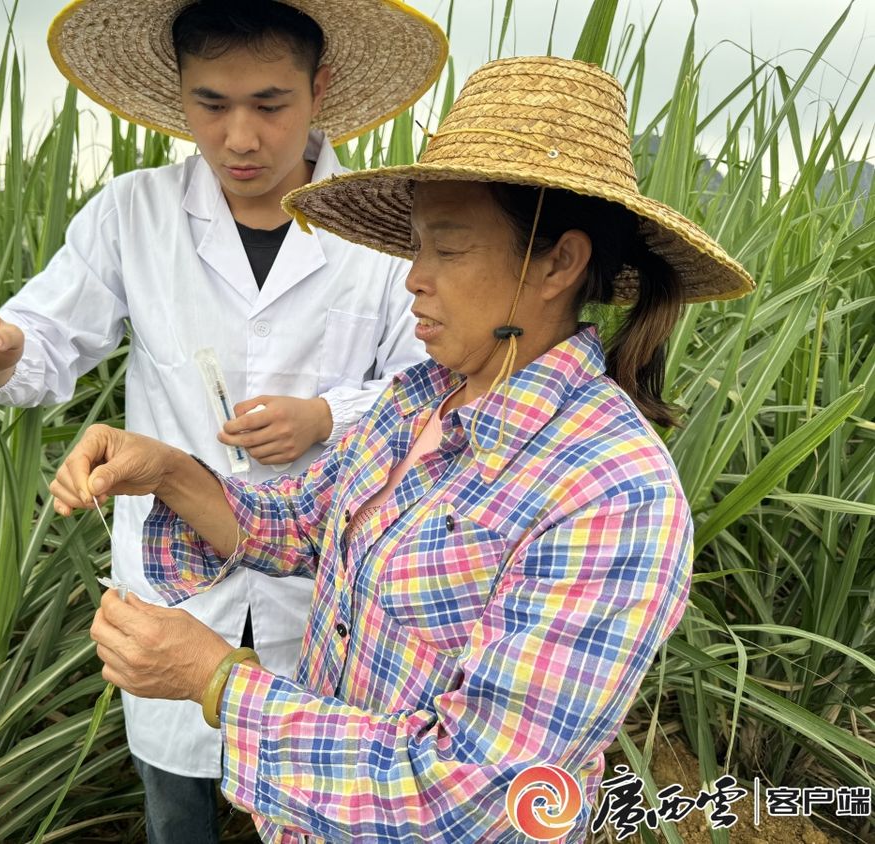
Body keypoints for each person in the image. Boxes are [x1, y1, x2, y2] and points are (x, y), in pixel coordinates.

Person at [50, 56, 754, 842]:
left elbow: (478, 790)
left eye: (447, 250)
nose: (413, 278)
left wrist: (215, 680)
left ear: (558, 262)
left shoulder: (609, 493)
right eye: (415, 247)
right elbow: (299, 524)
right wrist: (169, 472)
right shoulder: (417, 401)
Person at [0, 1, 447, 841]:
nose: (240, 138)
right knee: (176, 802)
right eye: (211, 104)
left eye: (269, 104)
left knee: (328, 794)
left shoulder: (378, 233)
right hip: (177, 582)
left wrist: (326, 415)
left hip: (323, 585)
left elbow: (435, 388)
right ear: (179, 93)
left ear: (320, 90)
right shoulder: (134, 213)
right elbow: (44, 340)